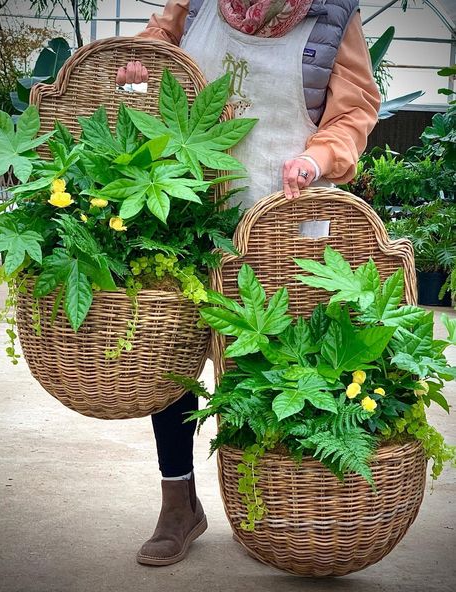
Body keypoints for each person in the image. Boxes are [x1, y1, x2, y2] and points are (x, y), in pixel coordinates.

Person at [116, 0, 380, 567]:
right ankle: (177, 504)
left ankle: (261, 509)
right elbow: (148, 54)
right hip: (191, 208)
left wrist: (317, 158)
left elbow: (354, 112)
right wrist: (134, 72)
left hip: (283, 221)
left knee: (265, 373)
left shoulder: (332, 16)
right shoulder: (198, 4)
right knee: (173, 362)